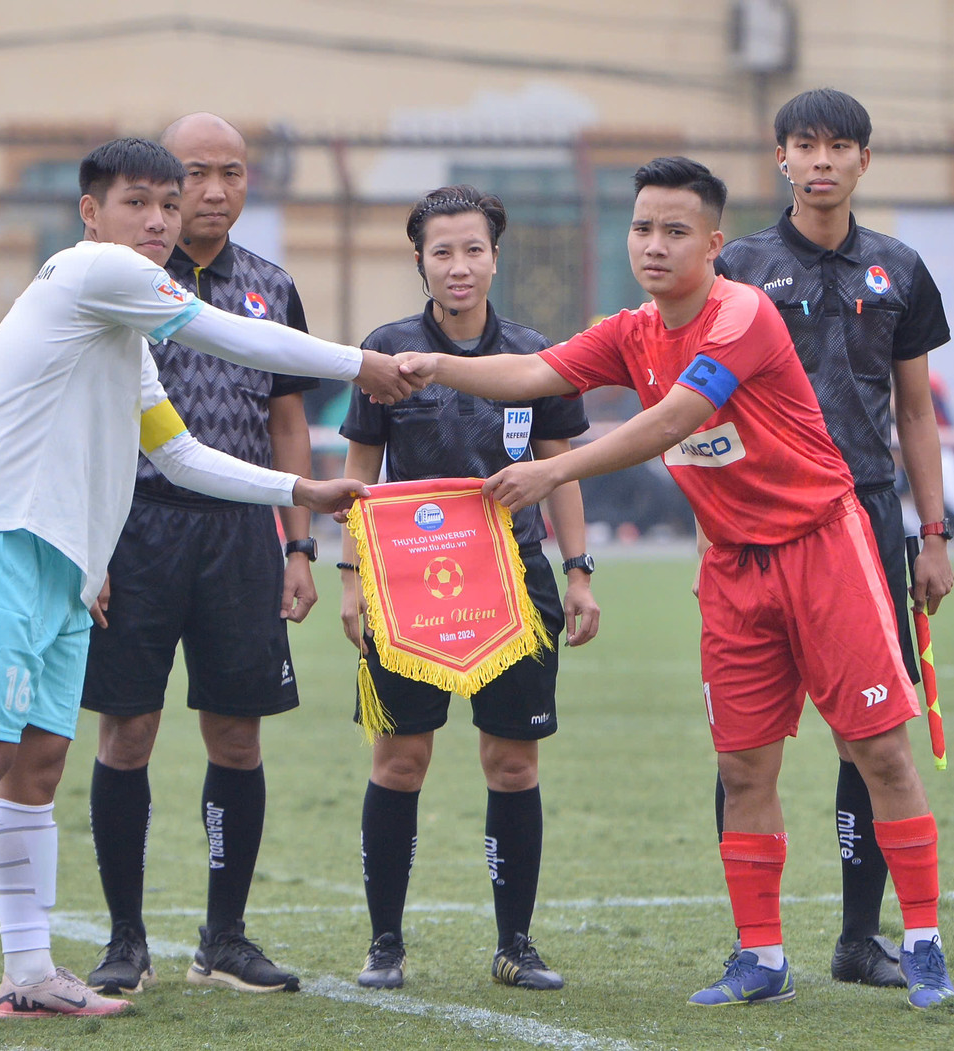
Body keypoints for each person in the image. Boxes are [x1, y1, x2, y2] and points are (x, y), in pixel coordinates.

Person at [395, 157, 954, 1010]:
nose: (653, 245)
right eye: (641, 228)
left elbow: (672, 421)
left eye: (674, 230)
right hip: (731, 564)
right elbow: (536, 373)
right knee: (742, 767)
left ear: (715, 244)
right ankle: (762, 957)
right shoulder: (632, 330)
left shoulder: (742, 314)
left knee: (879, 750)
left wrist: (554, 471)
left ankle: (923, 943)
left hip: (823, 548)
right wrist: (433, 366)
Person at [0, 137, 413, 1031]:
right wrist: (357, 364)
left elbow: (177, 454)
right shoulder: (92, 271)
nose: (159, 220)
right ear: (90, 213)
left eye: (167, 205)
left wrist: (298, 491)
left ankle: (28, 969)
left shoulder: (125, 332)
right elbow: (225, 331)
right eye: (137, 202)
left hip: (64, 560)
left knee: (39, 766)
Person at [713, 87, 954, 987]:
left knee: (872, 733)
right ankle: (755, 941)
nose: (822, 160)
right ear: (780, 156)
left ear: (864, 160)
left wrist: (933, 534)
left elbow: (916, 411)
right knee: (745, 746)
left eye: (839, 146)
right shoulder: (737, 266)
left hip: (866, 516)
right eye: (805, 145)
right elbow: (701, 403)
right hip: (759, 524)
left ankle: (861, 939)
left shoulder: (899, 267)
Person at [338, 185, 600, 991]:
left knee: (512, 764)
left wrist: (580, 570)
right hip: (408, 582)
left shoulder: (534, 355)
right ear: (419, 259)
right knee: (400, 760)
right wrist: (351, 578)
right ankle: (385, 943)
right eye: (442, 251)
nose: (459, 265)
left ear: (495, 257)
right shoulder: (386, 352)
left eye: (474, 249)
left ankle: (515, 943)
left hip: (516, 584)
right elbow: (360, 472)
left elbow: (561, 467)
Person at [83, 113, 319, 996]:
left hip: (241, 534)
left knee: (237, 734)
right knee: (128, 731)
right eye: (194, 175)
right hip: (135, 525)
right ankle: (125, 938)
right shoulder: (122, 279)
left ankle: (224, 937)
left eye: (232, 173)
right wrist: (91, 541)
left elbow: (288, 419)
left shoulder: (271, 284)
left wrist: (300, 544)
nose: (213, 192)